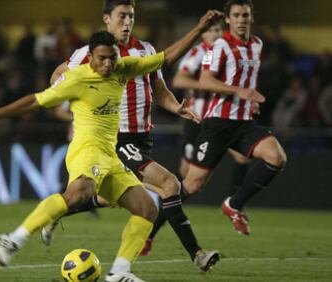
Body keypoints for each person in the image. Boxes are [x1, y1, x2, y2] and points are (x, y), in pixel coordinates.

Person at [0, 11, 221, 280]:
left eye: (111, 58)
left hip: (111, 154)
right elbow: (36, 100)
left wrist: (199, 29)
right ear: (90, 57)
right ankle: (13, 240)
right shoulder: (78, 78)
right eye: (101, 58)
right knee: (80, 192)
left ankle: (119, 272)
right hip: (86, 149)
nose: (107, 64)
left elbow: (166, 58)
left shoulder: (124, 68)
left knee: (147, 209)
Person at [43, 0, 220, 271]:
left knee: (107, 198)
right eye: (122, 16)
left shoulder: (145, 49)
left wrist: (176, 107)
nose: (127, 22)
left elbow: (158, 88)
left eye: (131, 17)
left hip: (141, 139)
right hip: (118, 139)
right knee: (170, 185)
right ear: (107, 19)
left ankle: (57, 211)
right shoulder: (88, 54)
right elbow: (57, 75)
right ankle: (197, 253)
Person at [143, 19, 253, 255]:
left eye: (217, 30)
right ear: (203, 35)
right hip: (197, 123)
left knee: (242, 160)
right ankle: (152, 232)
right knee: (185, 184)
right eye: (211, 30)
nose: (215, 34)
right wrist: (209, 85)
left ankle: (235, 206)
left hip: (222, 123)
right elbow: (179, 80)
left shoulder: (226, 53)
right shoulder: (199, 53)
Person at [181, 0, 286, 236]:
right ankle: (151, 228)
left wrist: (250, 102)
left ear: (251, 18)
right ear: (228, 19)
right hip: (218, 123)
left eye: (245, 15)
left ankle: (234, 204)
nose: (241, 20)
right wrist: (242, 92)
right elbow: (206, 81)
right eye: (236, 15)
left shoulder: (257, 44)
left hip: (243, 122)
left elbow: (246, 81)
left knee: (276, 157)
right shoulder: (220, 45)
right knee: (192, 185)